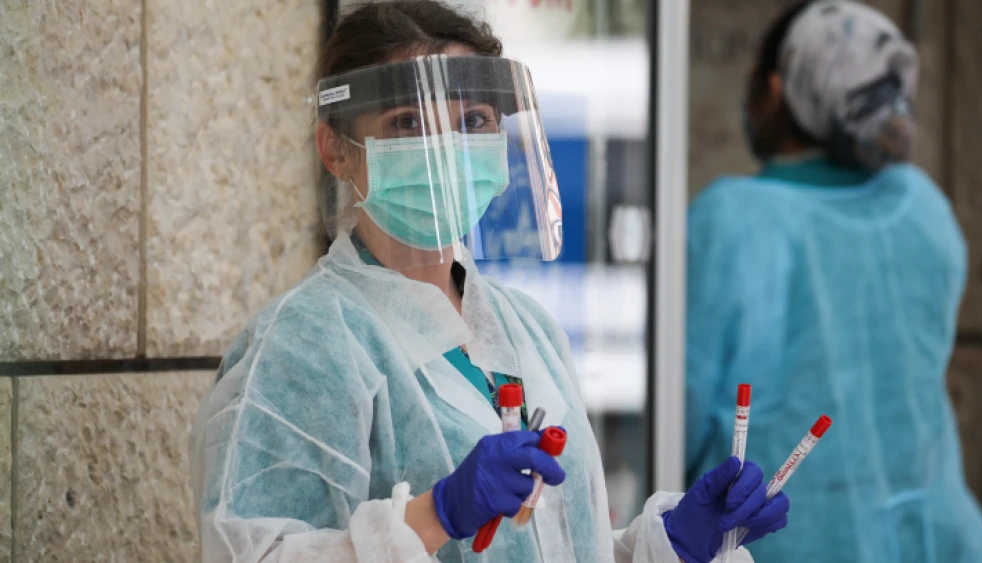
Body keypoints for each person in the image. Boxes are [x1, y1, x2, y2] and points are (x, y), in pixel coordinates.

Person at [189, 1, 790, 562]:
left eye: (472, 120)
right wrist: (437, 514)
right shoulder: (301, 348)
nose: (446, 150)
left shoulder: (524, 327)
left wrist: (672, 544)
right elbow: (255, 551)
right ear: (335, 151)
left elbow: (552, 543)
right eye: (408, 123)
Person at [685, 1, 982, 562]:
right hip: (936, 539)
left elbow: (681, 408)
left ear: (777, 91)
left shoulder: (733, 222)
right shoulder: (920, 207)